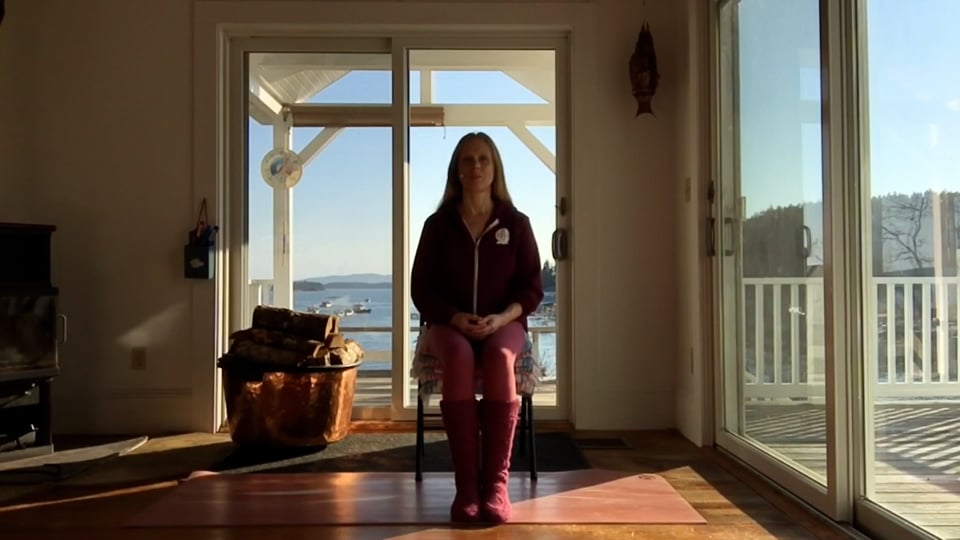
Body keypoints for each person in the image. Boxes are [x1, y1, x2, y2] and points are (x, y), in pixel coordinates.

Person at [411, 132, 544, 523]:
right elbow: (421, 288)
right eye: (467, 160)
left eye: (483, 159)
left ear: (495, 168)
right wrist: (453, 317)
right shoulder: (437, 226)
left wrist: (501, 318)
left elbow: (532, 288)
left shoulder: (517, 224)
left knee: (501, 355)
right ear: (457, 169)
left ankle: (496, 488)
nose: (476, 167)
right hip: (448, 325)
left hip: (504, 323)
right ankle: (467, 487)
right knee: (457, 354)